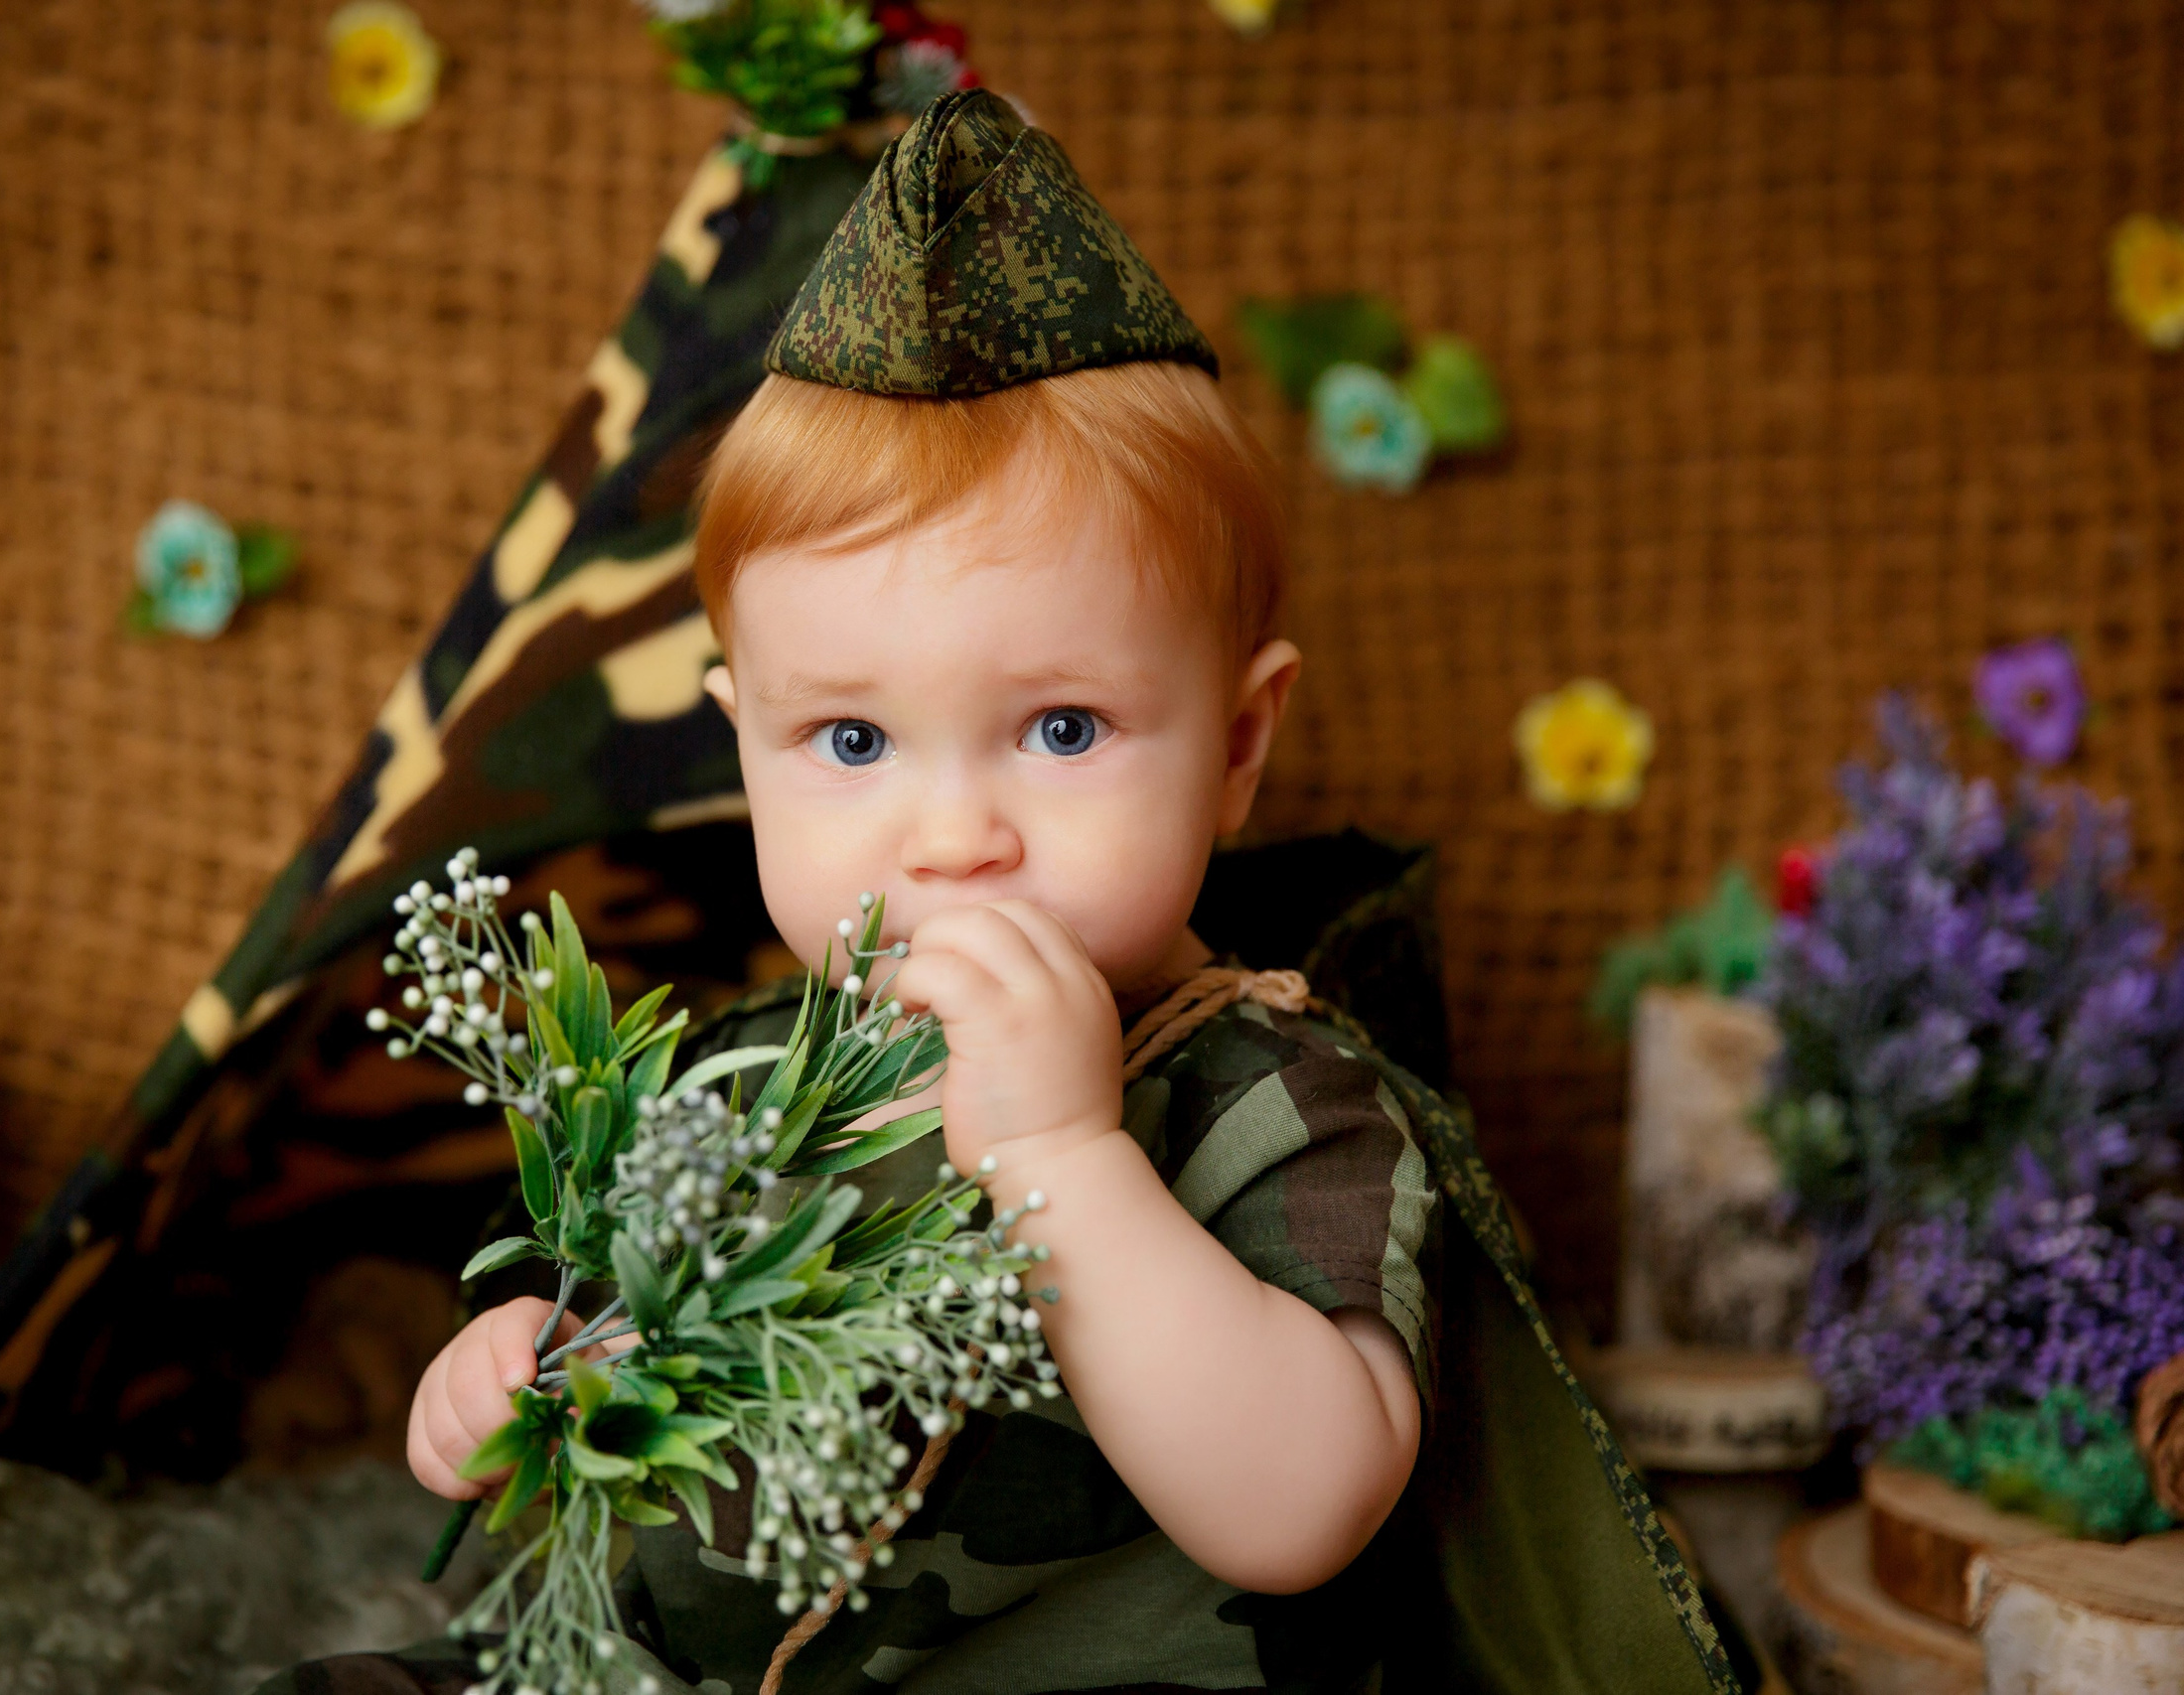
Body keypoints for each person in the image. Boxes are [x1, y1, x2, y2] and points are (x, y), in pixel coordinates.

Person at [283, 90, 1739, 1695]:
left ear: (1240, 747)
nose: (956, 834)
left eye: (1061, 730)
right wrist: (531, 1382)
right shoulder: (741, 1080)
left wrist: (1066, 1159)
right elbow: (653, 1378)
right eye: (850, 738)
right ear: (741, 752)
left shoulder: (1275, 1103)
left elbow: (1303, 1508)